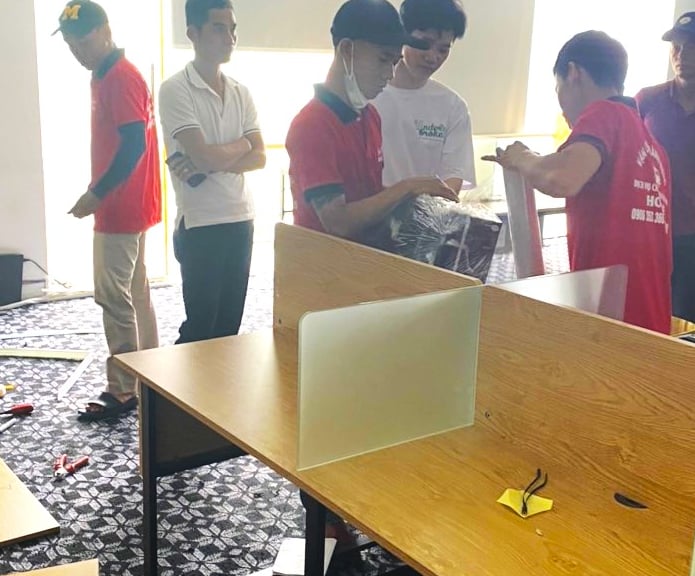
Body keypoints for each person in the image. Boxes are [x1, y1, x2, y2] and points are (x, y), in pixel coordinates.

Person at [487, 31, 672, 334]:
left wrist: (522, 157)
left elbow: (562, 179)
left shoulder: (603, 113)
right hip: (651, 321)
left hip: (613, 323)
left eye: (557, 87)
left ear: (573, 73)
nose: (561, 106)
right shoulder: (652, 145)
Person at [56, 0, 162, 421]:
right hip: (129, 202)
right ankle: (150, 372)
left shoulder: (120, 77)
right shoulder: (108, 75)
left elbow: (134, 144)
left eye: (82, 41)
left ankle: (122, 389)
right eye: (69, 44)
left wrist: (97, 194)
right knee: (135, 292)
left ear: (104, 31)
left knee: (113, 296)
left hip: (120, 206)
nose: (76, 51)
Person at [285, 0, 458, 245]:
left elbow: (369, 195)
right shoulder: (312, 124)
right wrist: (407, 187)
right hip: (320, 261)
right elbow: (337, 221)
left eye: (395, 62)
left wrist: (419, 200)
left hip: (364, 259)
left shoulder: (370, 116)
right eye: (383, 59)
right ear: (347, 50)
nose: (389, 73)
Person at [159, 0, 266, 344]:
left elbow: (260, 156)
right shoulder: (175, 88)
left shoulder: (240, 92)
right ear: (193, 33)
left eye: (232, 29)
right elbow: (204, 156)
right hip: (201, 222)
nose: (230, 37)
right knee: (200, 330)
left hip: (241, 217)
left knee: (228, 331)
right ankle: (171, 382)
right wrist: (240, 145)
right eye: (219, 28)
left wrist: (212, 160)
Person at [372, 0, 475, 192]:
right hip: (371, 208)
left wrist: (425, 208)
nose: (432, 57)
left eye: (443, 49)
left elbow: (453, 178)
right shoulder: (368, 96)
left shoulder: (453, 106)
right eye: (424, 44)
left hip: (428, 210)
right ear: (403, 36)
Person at [636, 13, 695, 324]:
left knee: (686, 326)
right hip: (651, 231)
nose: (682, 56)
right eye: (677, 47)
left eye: (691, 47)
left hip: (692, 237)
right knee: (648, 318)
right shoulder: (648, 100)